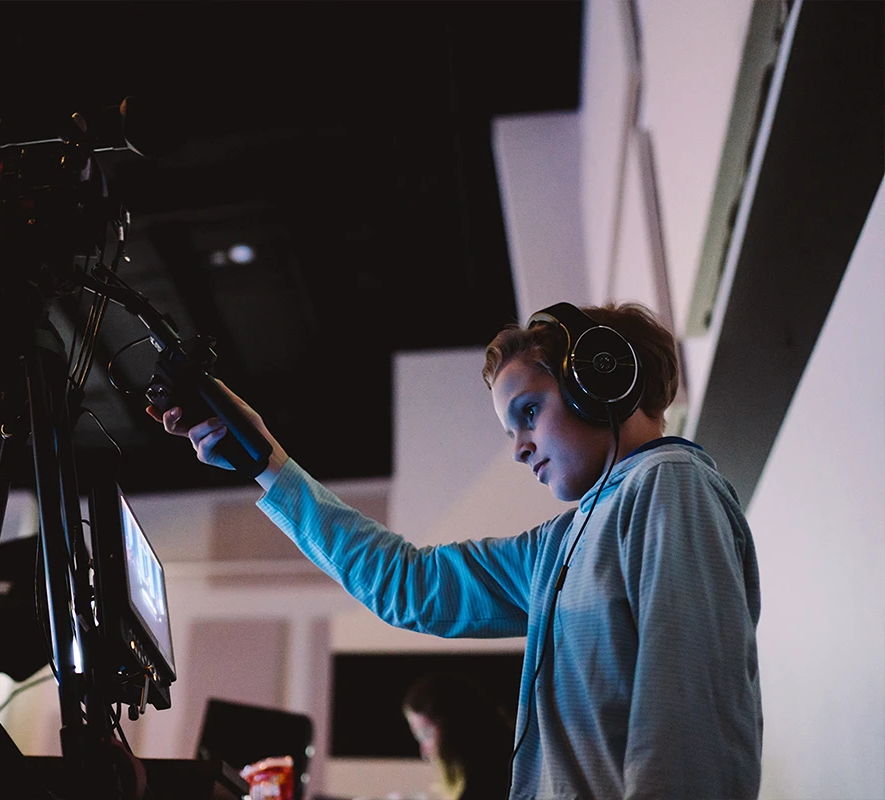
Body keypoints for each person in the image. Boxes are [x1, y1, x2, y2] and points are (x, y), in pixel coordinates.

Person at [149, 301, 762, 799]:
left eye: (529, 412)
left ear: (600, 381)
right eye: (511, 429)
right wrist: (265, 463)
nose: (519, 448)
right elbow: (408, 585)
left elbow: (690, 729)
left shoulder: (668, 484)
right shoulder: (561, 546)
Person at [403, 672, 512, 799]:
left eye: (426, 735)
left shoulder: (484, 787)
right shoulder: (511, 761)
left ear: (454, 729)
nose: (424, 751)